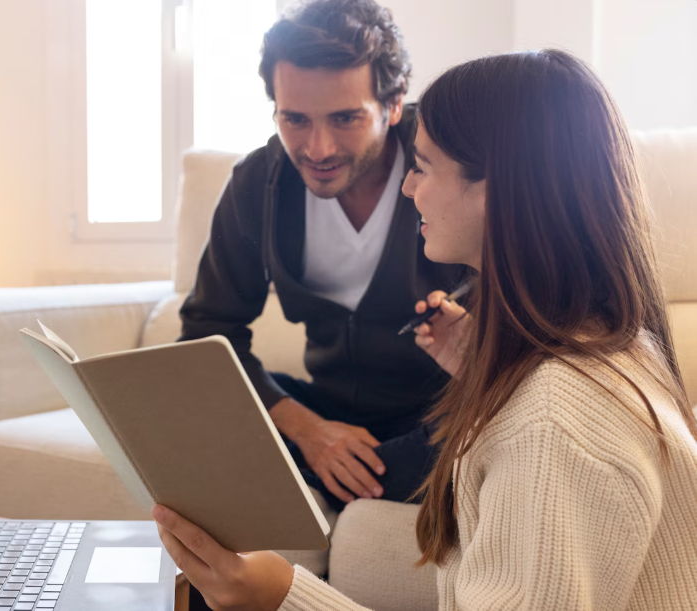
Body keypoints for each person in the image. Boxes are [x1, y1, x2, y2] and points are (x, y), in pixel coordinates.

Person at [155, 49, 697, 610]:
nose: (408, 188)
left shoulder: (552, 423)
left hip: (423, 422)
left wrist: (284, 596)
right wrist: (477, 361)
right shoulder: (607, 350)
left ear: (496, 189)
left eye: (423, 166)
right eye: (295, 119)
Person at [179, 0, 464, 512]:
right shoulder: (254, 186)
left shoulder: (452, 164)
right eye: (295, 120)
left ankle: (342, 488)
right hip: (325, 410)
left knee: (457, 446)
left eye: (345, 118)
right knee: (186, 411)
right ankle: (333, 481)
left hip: (440, 418)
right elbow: (207, 336)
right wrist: (308, 429)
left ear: (393, 103)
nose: (317, 148)